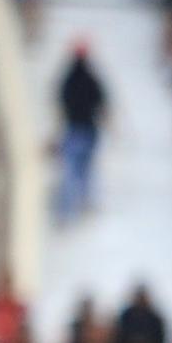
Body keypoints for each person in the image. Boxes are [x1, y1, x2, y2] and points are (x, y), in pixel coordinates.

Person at [55, 44, 109, 223]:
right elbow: (102, 101)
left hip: (74, 129)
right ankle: (83, 204)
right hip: (87, 129)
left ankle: (68, 210)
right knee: (85, 170)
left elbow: (60, 101)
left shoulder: (68, 78)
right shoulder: (91, 78)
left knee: (71, 171)